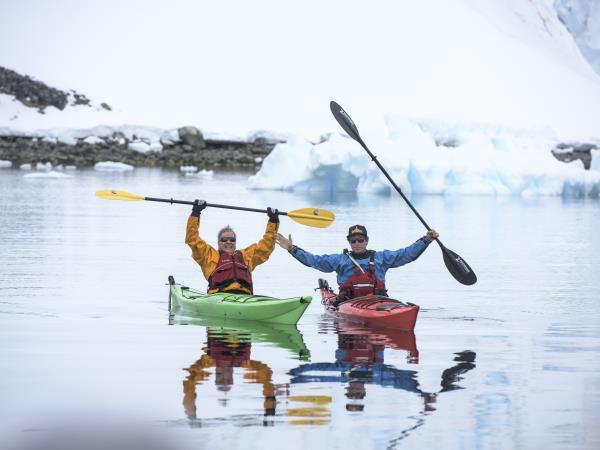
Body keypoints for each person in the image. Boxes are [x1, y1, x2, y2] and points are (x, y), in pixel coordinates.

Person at [276, 224, 439, 304]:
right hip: (349, 303)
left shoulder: (382, 258)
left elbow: (407, 254)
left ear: (367, 240)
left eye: (361, 240)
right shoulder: (339, 260)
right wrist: (291, 248)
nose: (357, 243)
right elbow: (314, 261)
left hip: (378, 303)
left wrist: (426, 240)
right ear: (349, 242)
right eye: (353, 240)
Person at [186, 200, 279, 294]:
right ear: (218, 242)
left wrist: (273, 220)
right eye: (224, 240)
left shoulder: (246, 256)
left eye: (232, 240)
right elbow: (192, 238)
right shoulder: (208, 255)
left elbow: (266, 246)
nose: (228, 242)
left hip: (245, 298)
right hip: (218, 297)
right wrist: (196, 212)